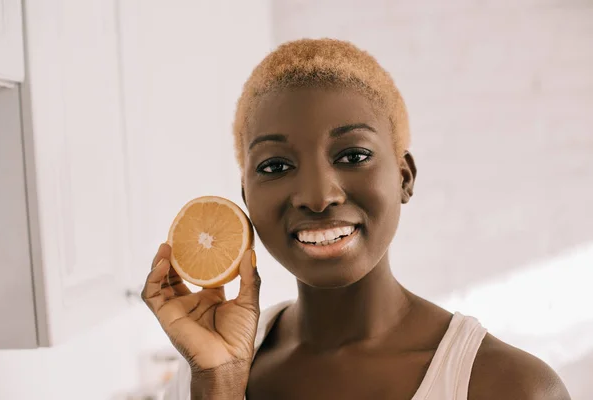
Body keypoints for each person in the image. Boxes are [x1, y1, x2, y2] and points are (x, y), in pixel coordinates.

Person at [142, 39, 571, 399]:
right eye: (275, 166)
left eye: (353, 156)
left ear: (404, 177)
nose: (318, 196)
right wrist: (218, 385)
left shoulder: (510, 387)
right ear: (245, 197)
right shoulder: (205, 370)